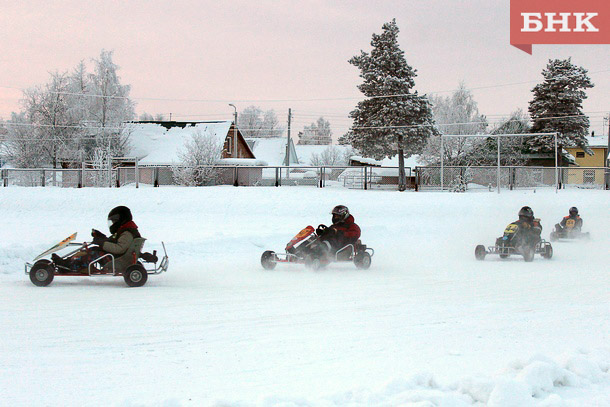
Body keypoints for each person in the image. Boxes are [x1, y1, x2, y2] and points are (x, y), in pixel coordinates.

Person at [53, 206, 141, 272]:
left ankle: (70, 267)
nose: (113, 224)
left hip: (117, 261)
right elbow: (113, 242)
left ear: (121, 220)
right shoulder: (124, 230)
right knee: (92, 249)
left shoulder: (127, 233)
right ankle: (67, 262)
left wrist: (102, 243)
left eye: (114, 221)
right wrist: (101, 237)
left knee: (94, 253)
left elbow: (119, 249)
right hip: (116, 258)